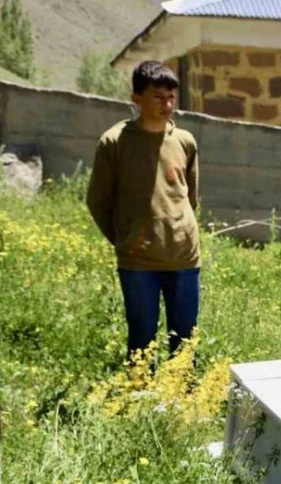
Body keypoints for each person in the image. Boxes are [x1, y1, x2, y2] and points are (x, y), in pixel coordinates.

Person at [86, 60, 201, 363]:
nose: (167, 104)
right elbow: (98, 200)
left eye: (171, 97)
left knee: (185, 338)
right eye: (158, 97)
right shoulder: (115, 142)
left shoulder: (185, 141)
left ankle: (184, 401)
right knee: (141, 337)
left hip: (184, 257)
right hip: (138, 262)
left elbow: (191, 197)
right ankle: (141, 400)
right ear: (136, 99)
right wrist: (123, 240)